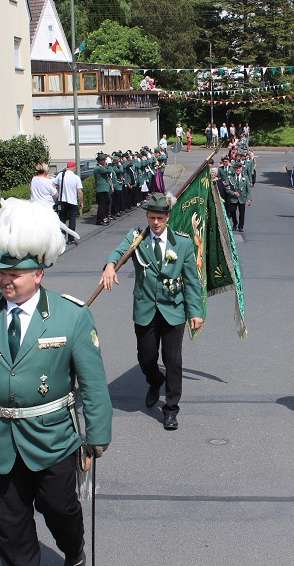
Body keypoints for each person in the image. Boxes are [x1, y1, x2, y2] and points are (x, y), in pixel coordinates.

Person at [0, 198, 112, 566]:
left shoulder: (72, 316)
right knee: (11, 526)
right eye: (1, 273)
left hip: (53, 437)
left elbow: (93, 383)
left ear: (38, 275)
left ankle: (74, 551)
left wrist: (98, 433)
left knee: (60, 510)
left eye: (13, 275)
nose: (4, 280)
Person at [98, 194, 204, 430]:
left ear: (167, 217)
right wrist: (109, 266)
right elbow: (117, 253)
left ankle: (171, 410)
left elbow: (191, 280)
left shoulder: (183, 243)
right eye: (151, 217)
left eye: (159, 218)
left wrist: (196, 312)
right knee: (146, 359)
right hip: (145, 307)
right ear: (147, 217)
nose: (155, 222)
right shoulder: (137, 239)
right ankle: (155, 381)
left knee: (173, 360)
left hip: (173, 309)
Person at [55, 161, 83, 245]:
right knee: (72, 220)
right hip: (72, 201)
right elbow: (80, 192)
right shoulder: (76, 177)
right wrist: (81, 202)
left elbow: (54, 185)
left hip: (62, 201)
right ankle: (71, 239)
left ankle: (62, 237)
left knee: (62, 219)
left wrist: (56, 196)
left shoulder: (60, 175)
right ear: (73, 167)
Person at [227, 160, 252, 232]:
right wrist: (233, 193)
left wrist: (249, 199)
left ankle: (241, 226)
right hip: (233, 198)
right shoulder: (230, 177)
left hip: (242, 198)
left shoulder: (245, 178)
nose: (238, 169)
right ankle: (235, 223)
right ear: (234, 169)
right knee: (232, 211)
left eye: (239, 168)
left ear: (241, 169)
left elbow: (248, 189)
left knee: (242, 213)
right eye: (236, 168)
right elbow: (226, 188)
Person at [93, 153, 114, 225]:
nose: (105, 162)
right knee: (102, 206)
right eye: (104, 160)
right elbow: (109, 170)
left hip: (104, 189)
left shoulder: (101, 167)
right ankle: (100, 220)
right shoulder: (98, 168)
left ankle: (105, 217)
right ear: (101, 161)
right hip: (101, 189)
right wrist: (110, 164)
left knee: (108, 201)